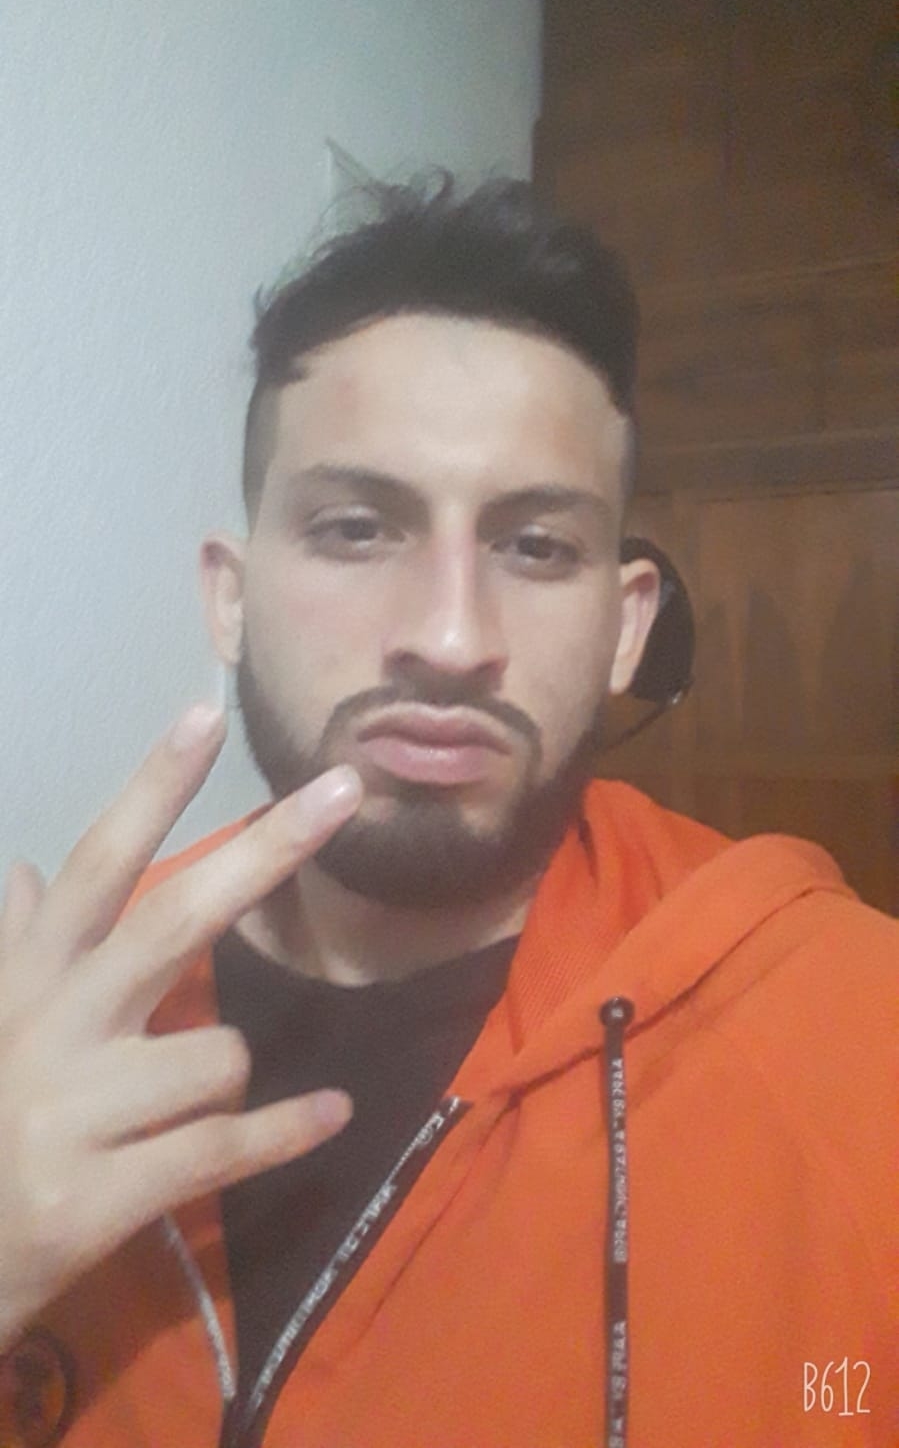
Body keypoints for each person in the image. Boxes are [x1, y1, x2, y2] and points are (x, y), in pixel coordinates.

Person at [0, 179, 895, 1448]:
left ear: (625, 625)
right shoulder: (46, 1038)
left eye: (535, 548)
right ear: (231, 600)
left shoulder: (851, 1036)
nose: (450, 636)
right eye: (358, 529)